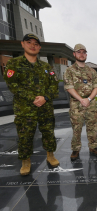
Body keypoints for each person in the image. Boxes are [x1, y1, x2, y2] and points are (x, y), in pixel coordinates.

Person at [4, 33, 59, 176]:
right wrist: (32, 98)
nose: (32, 46)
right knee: (25, 135)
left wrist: (45, 97)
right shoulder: (14, 64)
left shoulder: (47, 66)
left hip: (45, 107)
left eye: (36, 44)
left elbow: (54, 85)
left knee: (48, 132)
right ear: (23, 44)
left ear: (39, 47)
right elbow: (12, 85)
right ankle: (25, 161)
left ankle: (50, 155)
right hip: (25, 109)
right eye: (29, 42)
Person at [64, 44, 97, 161]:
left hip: (91, 103)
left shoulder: (92, 71)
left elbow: (96, 87)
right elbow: (69, 87)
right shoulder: (69, 71)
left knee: (93, 126)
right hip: (76, 104)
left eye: (84, 52)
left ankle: (93, 147)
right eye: (79, 52)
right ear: (74, 54)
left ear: (86, 54)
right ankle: (75, 149)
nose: (82, 54)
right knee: (77, 127)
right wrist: (81, 99)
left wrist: (89, 99)